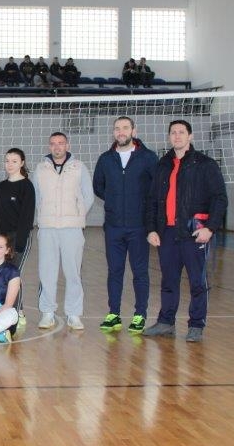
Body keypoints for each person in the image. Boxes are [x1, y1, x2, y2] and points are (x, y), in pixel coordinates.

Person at [143, 120, 228, 342]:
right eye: (173, 132)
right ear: (169, 137)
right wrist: (151, 229)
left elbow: (220, 198)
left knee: (197, 282)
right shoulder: (163, 165)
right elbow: (152, 200)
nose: (177, 136)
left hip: (194, 231)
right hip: (167, 232)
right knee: (168, 280)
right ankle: (166, 322)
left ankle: (196, 325)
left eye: (182, 132)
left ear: (190, 136)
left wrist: (210, 228)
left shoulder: (205, 164)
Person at [93, 116, 158, 334]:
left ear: (133, 131)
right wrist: (115, 201)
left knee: (140, 272)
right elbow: (98, 187)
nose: (121, 132)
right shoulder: (105, 159)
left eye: (125, 128)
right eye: (117, 128)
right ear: (113, 132)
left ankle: (140, 314)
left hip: (139, 226)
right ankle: (114, 313)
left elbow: (155, 189)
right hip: (113, 226)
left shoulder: (148, 158)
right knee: (115, 271)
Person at [32, 132, 94, 330]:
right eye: (53, 144)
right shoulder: (40, 169)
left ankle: (74, 314)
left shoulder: (79, 167)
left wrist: (77, 215)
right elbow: (36, 197)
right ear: (49, 146)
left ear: (67, 145)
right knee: (47, 272)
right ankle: (47, 313)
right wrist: (44, 215)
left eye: (60, 143)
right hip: (47, 227)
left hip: (72, 228)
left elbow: (88, 195)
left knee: (73, 272)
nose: (57, 147)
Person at [0, 148, 36, 323]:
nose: (10, 164)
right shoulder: (2, 185)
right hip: (2, 238)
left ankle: (18, 313)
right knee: (3, 275)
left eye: (14, 161)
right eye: (7, 161)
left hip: (19, 237)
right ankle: (9, 311)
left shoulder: (26, 186)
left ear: (22, 163)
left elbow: (27, 217)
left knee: (13, 275)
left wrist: (19, 242)